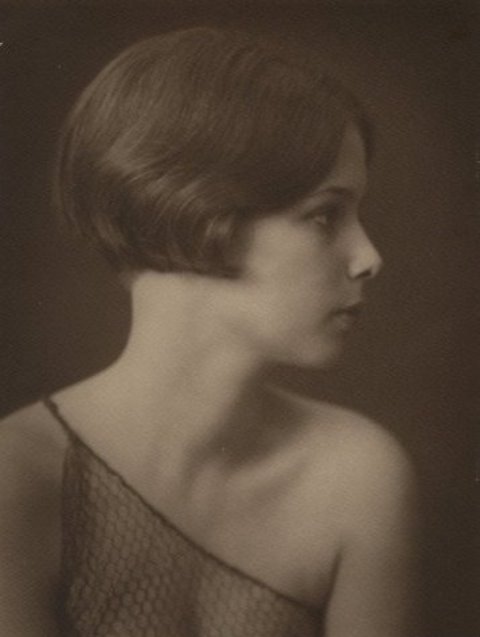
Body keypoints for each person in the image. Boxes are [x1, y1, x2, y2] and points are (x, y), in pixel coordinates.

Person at [0, 26, 419, 636]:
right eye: (325, 215)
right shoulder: (16, 478)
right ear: (200, 214)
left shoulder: (359, 476)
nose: (368, 257)